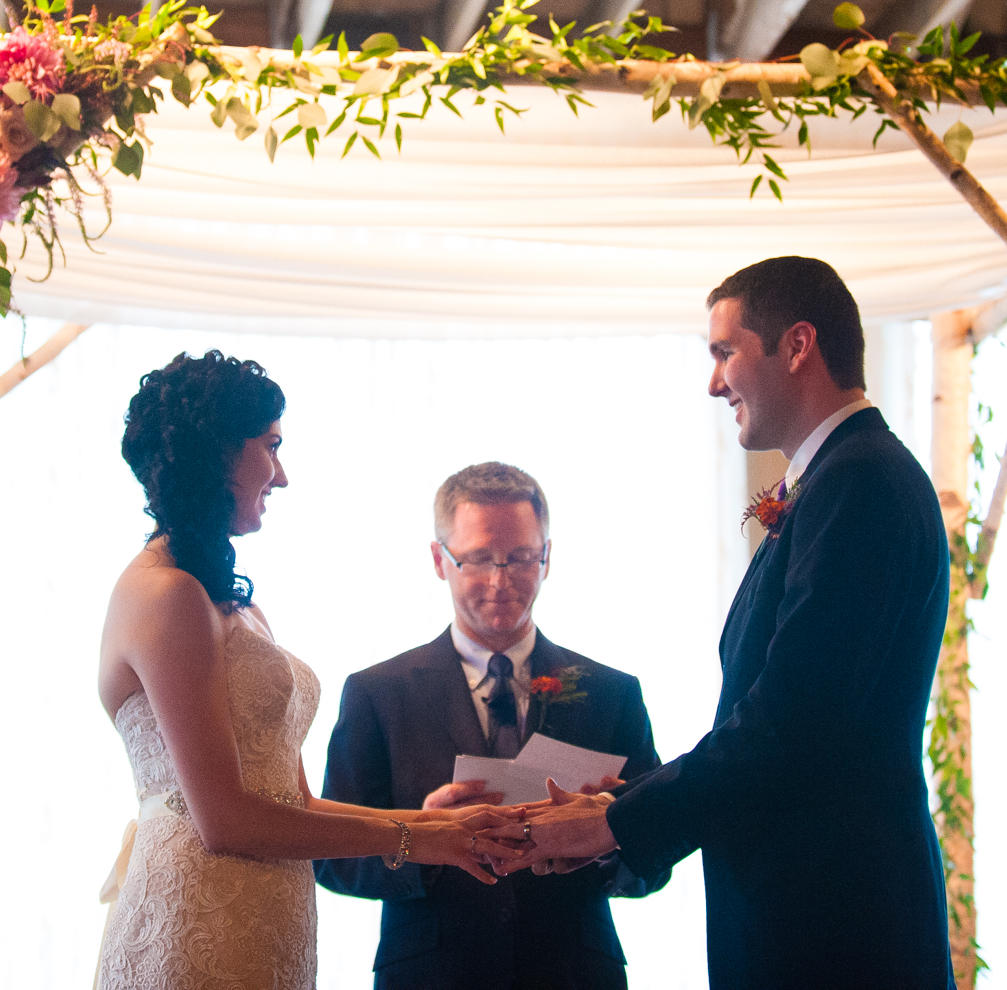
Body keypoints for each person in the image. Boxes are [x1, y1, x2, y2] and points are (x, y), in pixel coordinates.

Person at [494, 257, 956, 990]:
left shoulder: (860, 481)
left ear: (797, 345)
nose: (714, 383)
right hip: (814, 905)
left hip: (834, 920)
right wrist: (622, 806)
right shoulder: (842, 476)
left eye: (724, 352)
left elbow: (792, 723)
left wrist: (613, 825)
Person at [94, 351, 519, 990]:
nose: (282, 474)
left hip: (269, 909)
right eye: (270, 446)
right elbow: (226, 821)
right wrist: (419, 841)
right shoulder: (166, 595)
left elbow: (296, 804)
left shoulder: (235, 603)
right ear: (215, 453)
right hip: (198, 911)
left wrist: (444, 826)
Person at [315, 461, 669, 990]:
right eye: (478, 559)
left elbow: (656, 856)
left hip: (574, 971)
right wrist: (419, 835)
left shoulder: (612, 692)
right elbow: (331, 859)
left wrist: (607, 837)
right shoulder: (376, 692)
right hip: (431, 972)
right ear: (440, 560)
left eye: (521, 558)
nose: (500, 581)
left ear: (547, 557)